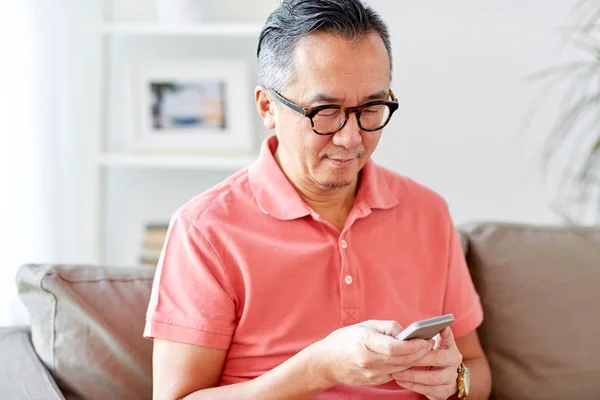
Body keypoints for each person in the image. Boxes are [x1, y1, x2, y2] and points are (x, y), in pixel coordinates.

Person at [144, 0, 492, 399]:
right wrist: (320, 367)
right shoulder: (205, 230)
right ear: (267, 107)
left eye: (372, 107)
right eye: (325, 111)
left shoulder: (427, 213)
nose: (350, 138)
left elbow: (477, 368)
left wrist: (455, 382)